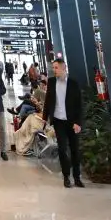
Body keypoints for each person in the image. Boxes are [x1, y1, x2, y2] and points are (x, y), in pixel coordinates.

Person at [42, 56, 84, 187]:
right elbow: (48, 101)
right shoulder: (51, 82)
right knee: (62, 149)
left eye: (57, 68)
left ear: (64, 68)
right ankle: (66, 177)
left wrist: (78, 123)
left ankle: (77, 177)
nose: (54, 70)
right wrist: (45, 119)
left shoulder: (73, 84)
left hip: (72, 122)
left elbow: (79, 105)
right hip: (58, 121)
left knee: (75, 150)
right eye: (53, 68)